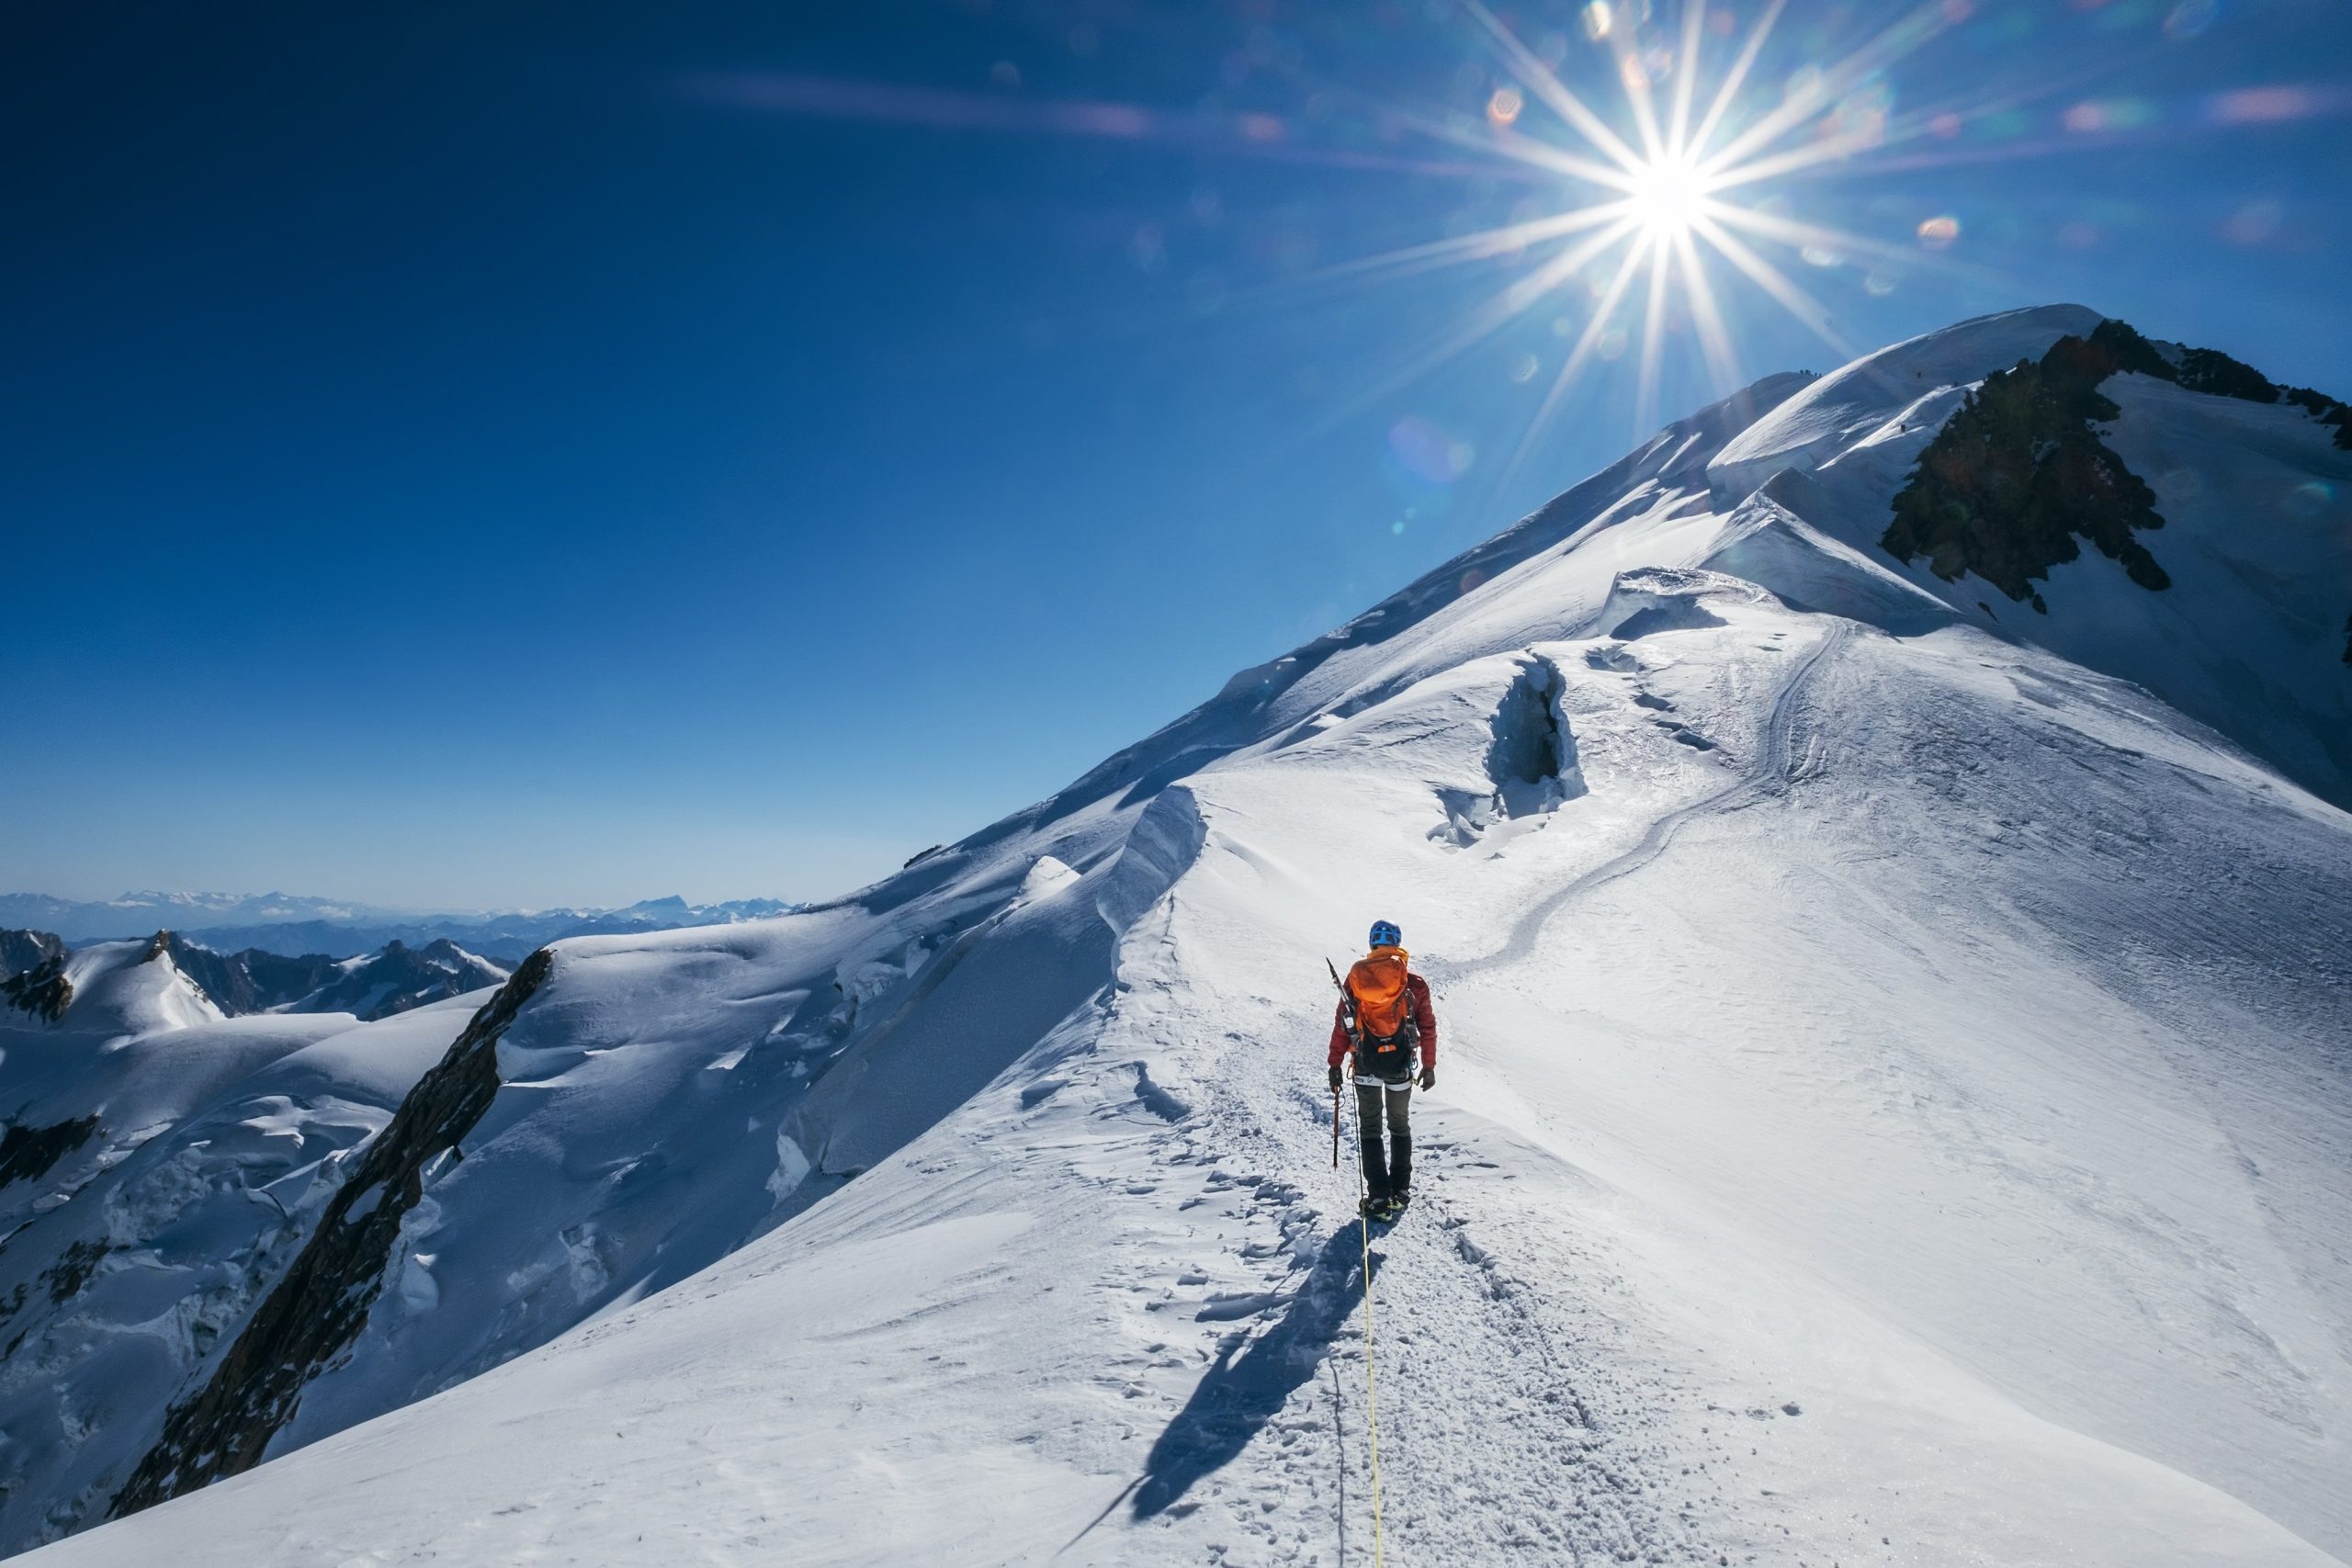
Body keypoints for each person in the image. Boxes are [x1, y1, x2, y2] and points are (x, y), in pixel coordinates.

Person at [1327, 919, 1436, 1218]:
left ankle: (1377, 1199)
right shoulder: (1413, 983)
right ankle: (1400, 1192)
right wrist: (1429, 1065)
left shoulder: (1356, 979)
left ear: (1372, 944)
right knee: (1399, 1127)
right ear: (1397, 944)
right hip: (1400, 1066)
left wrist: (1334, 1063)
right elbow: (1427, 1025)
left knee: (1371, 1129)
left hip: (1365, 1066)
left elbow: (1343, 1023)